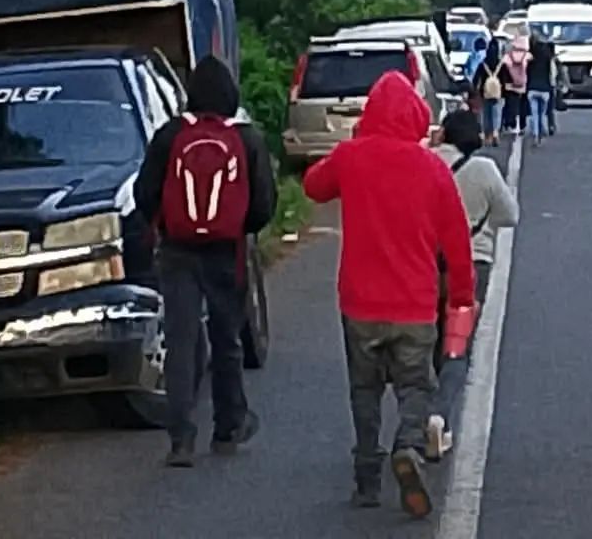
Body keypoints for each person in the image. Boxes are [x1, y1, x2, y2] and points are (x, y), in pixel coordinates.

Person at [304, 72, 477, 517]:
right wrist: (460, 296)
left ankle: (366, 479)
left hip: (359, 302)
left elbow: (313, 186)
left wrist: (355, 141)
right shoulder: (433, 168)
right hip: (416, 304)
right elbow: (457, 241)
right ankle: (408, 447)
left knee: (364, 391)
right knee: (416, 386)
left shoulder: (351, 158)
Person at [133, 55, 276, 467]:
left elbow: (144, 194)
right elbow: (264, 204)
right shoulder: (246, 139)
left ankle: (180, 437)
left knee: (181, 341)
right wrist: (234, 225)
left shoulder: (169, 136)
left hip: (177, 252)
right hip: (225, 253)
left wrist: (166, 223)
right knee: (226, 337)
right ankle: (228, 424)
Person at [427, 109, 518, 459]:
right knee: (456, 345)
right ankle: (440, 415)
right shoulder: (483, 170)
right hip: (472, 267)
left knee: (427, 338)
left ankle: (421, 412)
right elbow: (510, 214)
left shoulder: (427, 162)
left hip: (428, 264)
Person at [528, 30, 559, 138]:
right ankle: (542, 129)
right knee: (542, 113)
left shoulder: (530, 58)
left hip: (532, 88)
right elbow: (553, 73)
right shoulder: (548, 57)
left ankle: (536, 133)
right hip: (545, 88)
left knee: (534, 113)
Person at [499, 37, 530, 138]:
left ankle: (510, 124)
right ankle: (522, 125)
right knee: (523, 106)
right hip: (523, 84)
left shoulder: (508, 56)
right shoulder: (527, 56)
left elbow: (502, 71)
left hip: (510, 85)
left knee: (511, 105)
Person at [475, 39, 504, 145]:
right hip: (497, 93)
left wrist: (475, 90)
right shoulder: (501, 64)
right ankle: (495, 132)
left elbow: (476, 78)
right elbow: (505, 79)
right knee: (496, 113)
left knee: (485, 114)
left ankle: (484, 134)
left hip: (485, 92)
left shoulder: (483, 64)